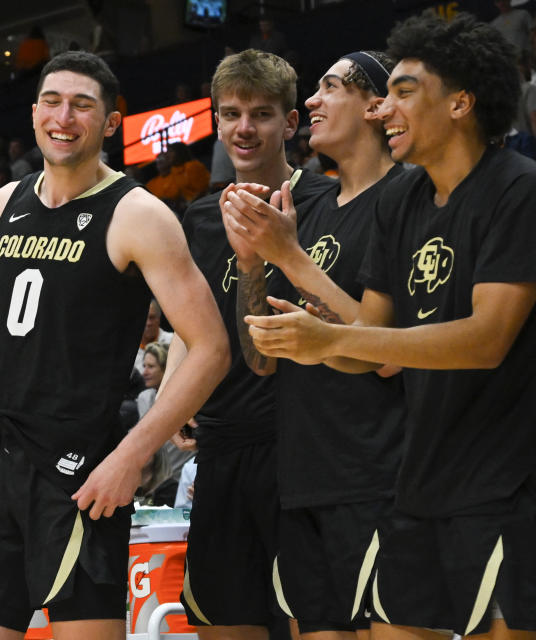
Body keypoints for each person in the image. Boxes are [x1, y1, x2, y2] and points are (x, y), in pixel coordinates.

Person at [243, 13, 536, 637]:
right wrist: (310, 341)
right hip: (420, 482)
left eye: (405, 92)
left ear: (460, 102)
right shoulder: (402, 201)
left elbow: (486, 340)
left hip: (508, 483)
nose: (385, 109)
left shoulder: (519, 191)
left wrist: (334, 338)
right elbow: (374, 348)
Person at [0, 50, 229, 639]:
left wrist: (131, 456)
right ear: (34, 111)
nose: (64, 117)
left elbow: (211, 348)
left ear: (111, 123)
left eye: (82, 106)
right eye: (53, 102)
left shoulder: (139, 214)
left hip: (81, 476)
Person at [224, 49, 406, 638]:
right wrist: (252, 267)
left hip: (379, 477)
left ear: (376, 106)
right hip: (301, 480)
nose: (311, 101)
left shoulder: (410, 199)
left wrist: (290, 259)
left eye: (330, 87)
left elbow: (388, 355)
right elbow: (261, 362)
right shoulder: (312, 208)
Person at [160, 49, 335, 640]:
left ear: (291, 124)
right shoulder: (201, 218)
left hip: (302, 451)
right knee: (224, 620)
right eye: (231, 113)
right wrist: (172, 403)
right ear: (215, 121)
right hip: (221, 448)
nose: (244, 128)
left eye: (261, 114)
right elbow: (193, 327)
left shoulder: (328, 203)